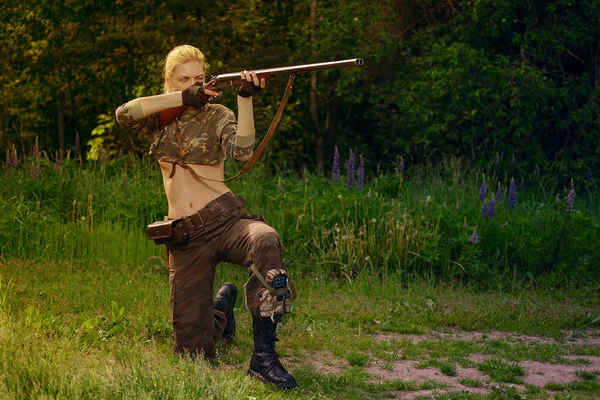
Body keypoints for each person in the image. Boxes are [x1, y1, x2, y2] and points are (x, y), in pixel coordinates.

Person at [115, 45, 297, 390]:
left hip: (226, 220)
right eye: (184, 80)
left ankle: (263, 357)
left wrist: (245, 98)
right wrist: (181, 97)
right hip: (185, 237)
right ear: (167, 81)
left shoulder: (217, 114)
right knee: (192, 354)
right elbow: (124, 113)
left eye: (199, 79)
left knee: (265, 238)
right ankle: (221, 308)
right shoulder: (156, 117)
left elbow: (242, 149)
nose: (194, 84)